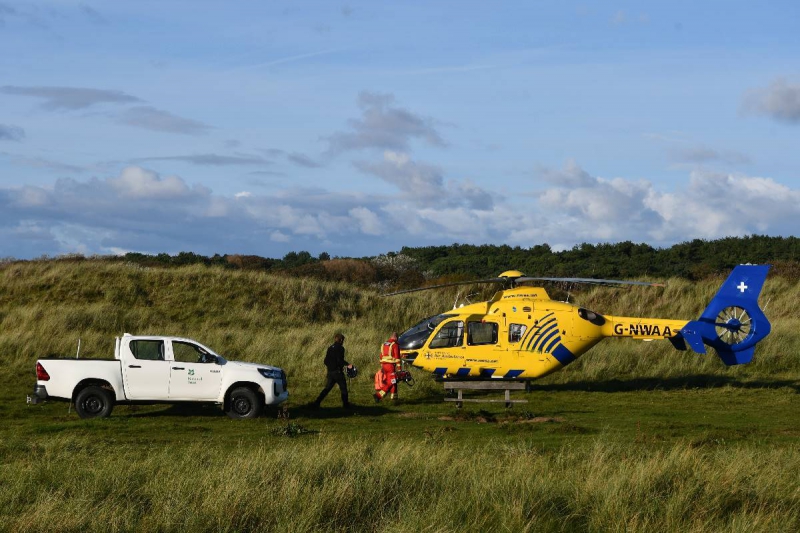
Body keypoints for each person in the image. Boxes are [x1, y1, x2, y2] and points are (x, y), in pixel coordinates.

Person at [312, 333, 353, 408]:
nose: (343, 342)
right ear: (340, 340)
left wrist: (330, 368)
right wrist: (348, 365)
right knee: (343, 388)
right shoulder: (341, 348)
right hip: (338, 372)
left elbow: (325, 361)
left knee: (327, 388)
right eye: (343, 340)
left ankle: (317, 402)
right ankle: (346, 405)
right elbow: (340, 360)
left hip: (330, 372)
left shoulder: (330, 348)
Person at [374, 332, 401, 402]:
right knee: (391, 381)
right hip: (390, 366)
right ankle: (378, 395)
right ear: (396, 337)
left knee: (393, 381)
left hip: (384, 366)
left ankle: (394, 398)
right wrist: (399, 368)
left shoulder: (384, 344)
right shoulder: (395, 344)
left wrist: (382, 365)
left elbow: (381, 356)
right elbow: (397, 357)